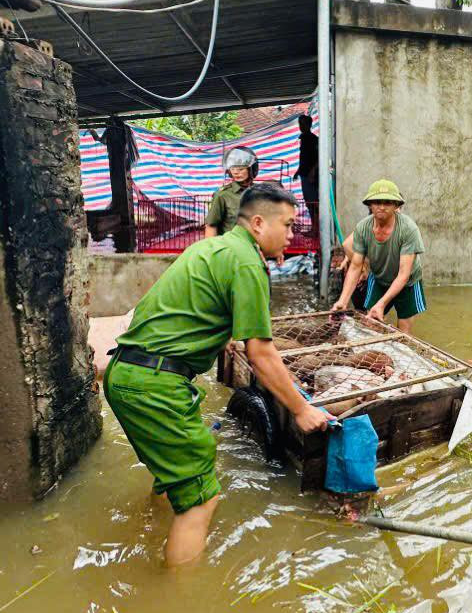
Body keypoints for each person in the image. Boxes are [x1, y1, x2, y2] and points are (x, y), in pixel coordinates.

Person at [104, 182, 329, 567]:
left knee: (174, 478)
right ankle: (180, 606)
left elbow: (189, 310)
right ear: (258, 223)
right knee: (203, 500)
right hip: (156, 386)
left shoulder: (212, 247)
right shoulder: (245, 261)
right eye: (289, 225)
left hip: (125, 374)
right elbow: (260, 352)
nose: (293, 235)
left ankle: (154, 531)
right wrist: (300, 409)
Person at [331, 179, 426, 334]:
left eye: (388, 203)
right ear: (370, 205)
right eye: (377, 202)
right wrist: (343, 300)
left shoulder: (409, 229)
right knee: (371, 323)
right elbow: (355, 266)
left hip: (408, 282)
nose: (382, 207)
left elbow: (403, 275)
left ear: (396, 206)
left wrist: (382, 304)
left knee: (404, 332)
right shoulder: (363, 227)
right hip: (380, 277)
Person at [204, 146, 258, 236]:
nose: (236, 172)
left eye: (241, 169)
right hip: (232, 247)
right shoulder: (222, 195)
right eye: (233, 169)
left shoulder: (260, 192)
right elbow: (211, 226)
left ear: (251, 169)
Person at [292, 114, 320, 237]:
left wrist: (313, 172)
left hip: (311, 176)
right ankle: (314, 229)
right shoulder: (303, 138)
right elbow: (304, 159)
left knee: (313, 203)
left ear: (309, 125)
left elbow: (319, 157)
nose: (301, 126)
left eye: (303, 124)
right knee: (309, 203)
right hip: (304, 174)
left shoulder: (313, 139)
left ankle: (315, 230)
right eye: (300, 124)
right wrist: (298, 171)